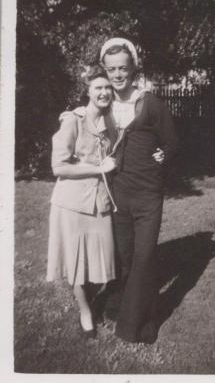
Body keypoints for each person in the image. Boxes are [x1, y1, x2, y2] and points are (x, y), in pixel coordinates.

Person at [100, 38, 179, 343]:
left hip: (148, 193)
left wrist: (164, 154)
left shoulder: (151, 103)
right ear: (105, 71)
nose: (118, 74)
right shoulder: (103, 102)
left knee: (145, 257)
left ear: (133, 68)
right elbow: (86, 126)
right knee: (125, 256)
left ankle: (136, 326)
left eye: (123, 68)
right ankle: (122, 306)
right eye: (112, 69)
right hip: (118, 193)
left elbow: (172, 142)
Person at [46, 64, 117, 338]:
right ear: (87, 90)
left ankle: (96, 298)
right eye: (98, 87)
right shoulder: (73, 120)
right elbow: (58, 168)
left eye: (108, 87)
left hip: (99, 202)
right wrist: (99, 168)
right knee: (76, 263)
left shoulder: (110, 123)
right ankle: (85, 310)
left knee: (102, 258)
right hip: (71, 204)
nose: (104, 92)